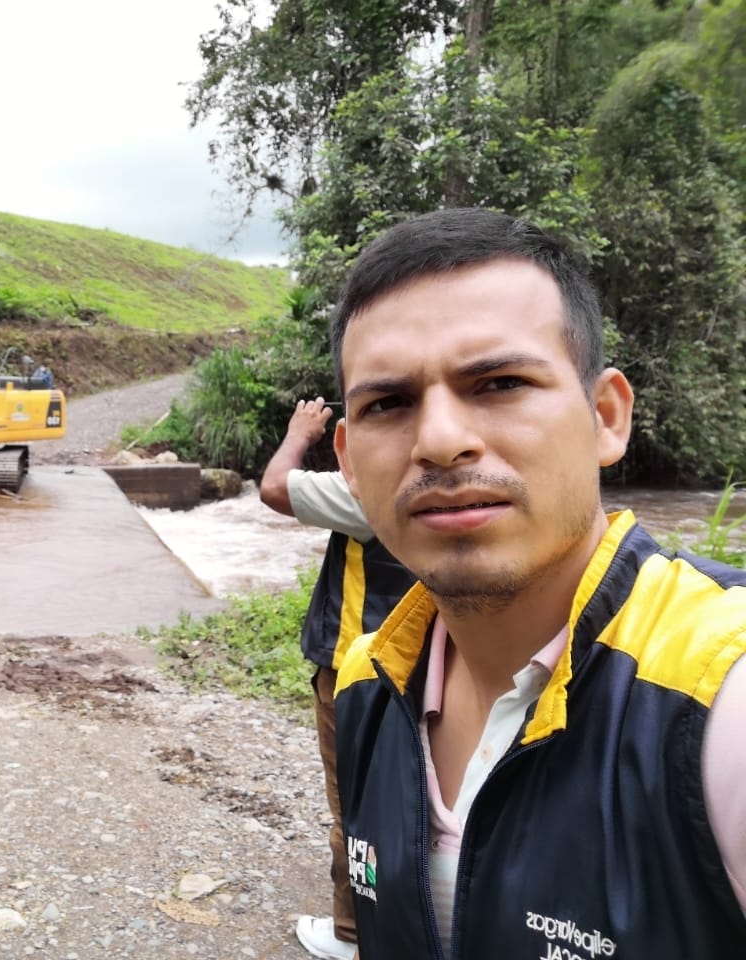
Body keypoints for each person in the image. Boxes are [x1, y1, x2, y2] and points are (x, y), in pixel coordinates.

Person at [326, 207, 746, 959]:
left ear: (605, 417)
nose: (441, 441)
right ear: (350, 461)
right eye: (388, 403)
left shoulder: (719, 697)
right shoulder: (368, 681)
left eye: (500, 383)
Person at [259, 399, 416, 960]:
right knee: (418, 801)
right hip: (439, 667)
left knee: (355, 808)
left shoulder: (368, 491)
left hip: (359, 674)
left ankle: (352, 932)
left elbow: (275, 487)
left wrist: (300, 433)